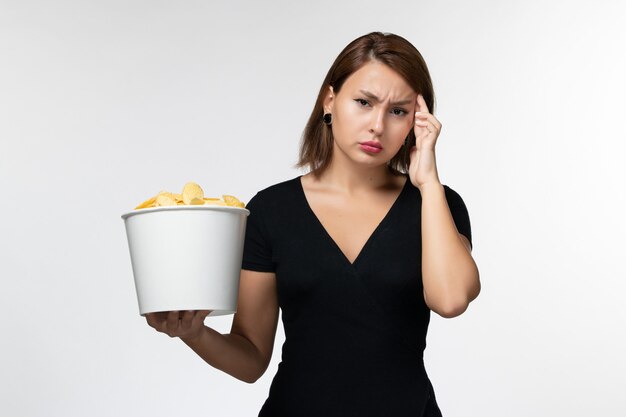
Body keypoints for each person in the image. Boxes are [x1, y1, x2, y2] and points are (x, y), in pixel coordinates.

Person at [146, 31, 480, 416]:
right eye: (363, 102)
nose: (377, 125)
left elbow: (451, 299)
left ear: (417, 123)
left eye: (399, 111)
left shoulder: (437, 204)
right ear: (330, 100)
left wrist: (428, 182)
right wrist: (194, 333)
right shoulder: (272, 211)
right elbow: (251, 359)